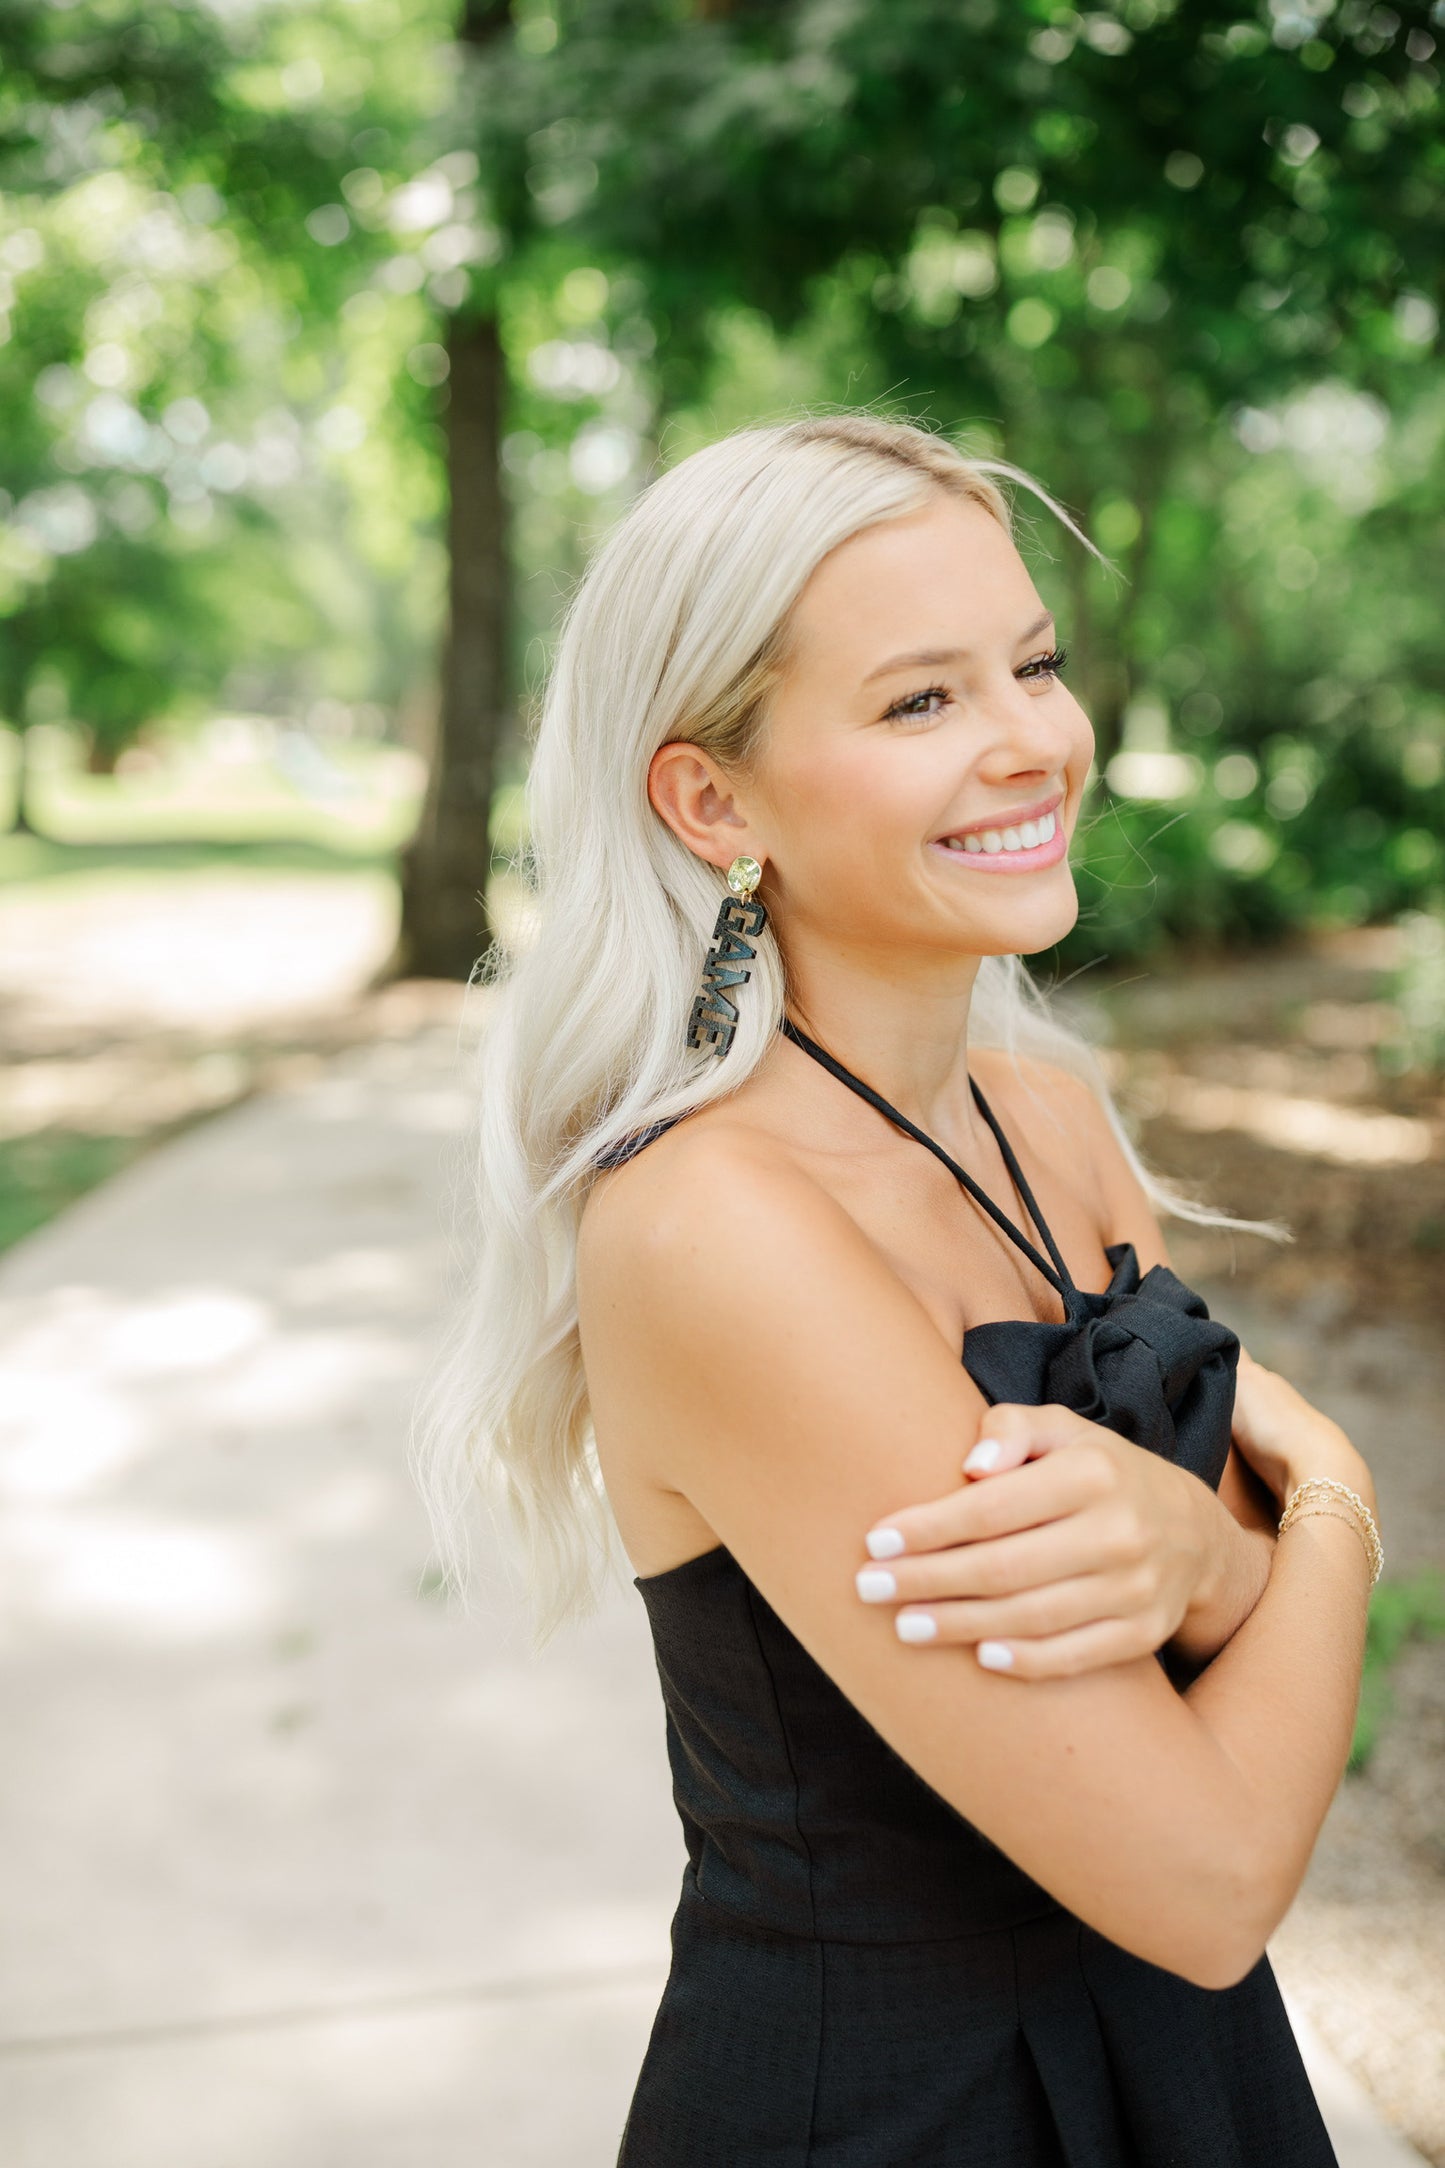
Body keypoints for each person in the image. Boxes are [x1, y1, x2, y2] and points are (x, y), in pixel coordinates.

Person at [410, 413, 1383, 2165]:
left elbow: (1216, 1586)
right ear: (714, 799)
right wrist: (1337, 1504)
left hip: (1186, 2075)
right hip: (905, 2104)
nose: (1030, 744)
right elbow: (1213, 1869)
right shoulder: (719, 1230)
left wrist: (1227, 1553)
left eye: (1030, 664)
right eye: (919, 701)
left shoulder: (1046, 1119)